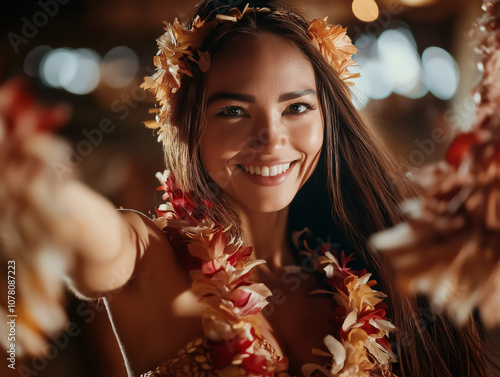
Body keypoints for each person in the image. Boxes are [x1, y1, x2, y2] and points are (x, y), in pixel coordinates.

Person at [0, 1, 494, 377]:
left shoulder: (363, 268)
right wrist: (41, 185)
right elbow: (97, 237)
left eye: (296, 107)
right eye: (233, 111)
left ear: (327, 118)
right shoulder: (154, 260)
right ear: (187, 126)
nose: (272, 139)